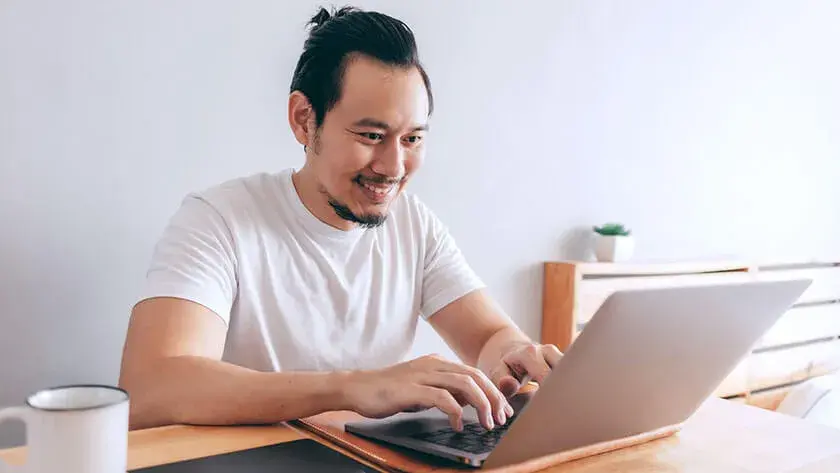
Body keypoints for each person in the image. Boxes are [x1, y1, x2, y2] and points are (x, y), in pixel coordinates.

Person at [118, 6, 562, 434]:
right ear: (303, 119)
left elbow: (488, 338)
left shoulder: (414, 225)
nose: (393, 165)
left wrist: (513, 354)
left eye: (412, 138)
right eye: (371, 136)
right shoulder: (219, 220)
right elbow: (153, 387)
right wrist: (352, 387)